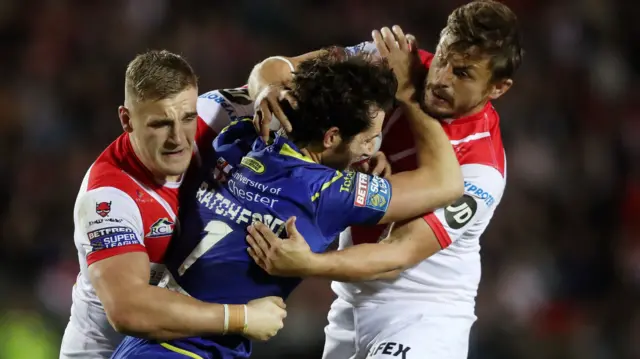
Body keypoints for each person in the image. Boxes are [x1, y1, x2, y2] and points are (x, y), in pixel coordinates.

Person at [111, 48, 462, 359]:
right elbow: (447, 183)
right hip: (189, 348)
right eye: (370, 138)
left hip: (147, 341)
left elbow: (271, 72)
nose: (373, 148)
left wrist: (353, 154)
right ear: (331, 137)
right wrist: (410, 95)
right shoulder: (330, 193)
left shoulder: (241, 138)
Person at [245, 1, 523, 358]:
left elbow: (399, 253)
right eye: (442, 59)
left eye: (463, 74)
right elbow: (276, 68)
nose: (441, 79)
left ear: (498, 88)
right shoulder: (392, 61)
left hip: (423, 312)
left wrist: (308, 264)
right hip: (349, 305)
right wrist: (269, 89)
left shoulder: (481, 169)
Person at [59, 50, 286, 359]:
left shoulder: (212, 114)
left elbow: (282, 79)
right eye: (160, 124)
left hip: (185, 344)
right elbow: (128, 310)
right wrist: (241, 318)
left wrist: (366, 152)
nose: (178, 139)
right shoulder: (107, 199)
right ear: (127, 120)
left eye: (187, 118)